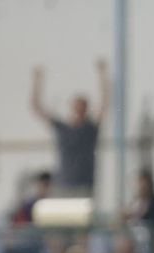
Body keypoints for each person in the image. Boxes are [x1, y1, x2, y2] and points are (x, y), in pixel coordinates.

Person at [30, 60, 109, 195]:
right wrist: (37, 80)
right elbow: (37, 107)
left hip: (84, 185)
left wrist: (102, 75)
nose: (79, 111)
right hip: (63, 184)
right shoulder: (62, 128)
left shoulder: (90, 130)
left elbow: (105, 104)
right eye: (77, 107)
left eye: (82, 108)